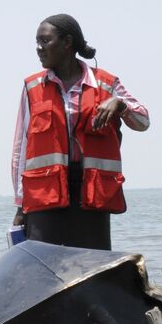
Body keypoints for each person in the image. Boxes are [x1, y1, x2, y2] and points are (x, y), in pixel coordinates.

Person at [11, 14, 150, 250]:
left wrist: (120, 104)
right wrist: (20, 205)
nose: (39, 48)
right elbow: (20, 151)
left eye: (45, 41)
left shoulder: (106, 84)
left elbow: (143, 121)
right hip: (45, 194)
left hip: (92, 194)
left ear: (67, 42)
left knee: (92, 270)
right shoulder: (32, 87)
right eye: (37, 42)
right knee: (44, 270)